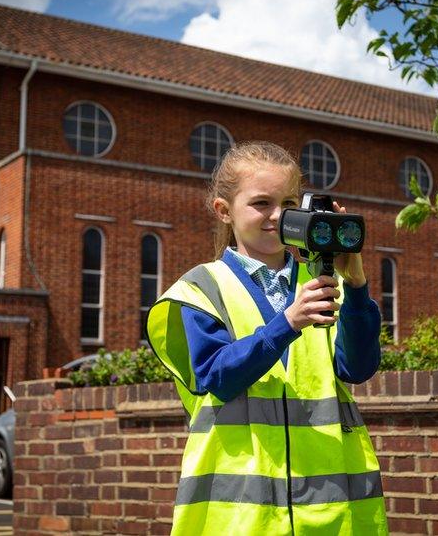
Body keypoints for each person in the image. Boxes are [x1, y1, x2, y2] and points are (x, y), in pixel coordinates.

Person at [146, 141, 388, 535]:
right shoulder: (201, 288)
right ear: (224, 211)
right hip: (241, 516)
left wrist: (357, 283)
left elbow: (358, 368)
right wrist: (287, 322)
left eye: (288, 203)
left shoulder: (323, 282)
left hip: (329, 509)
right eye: (261, 203)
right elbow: (217, 376)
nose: (277, 216)